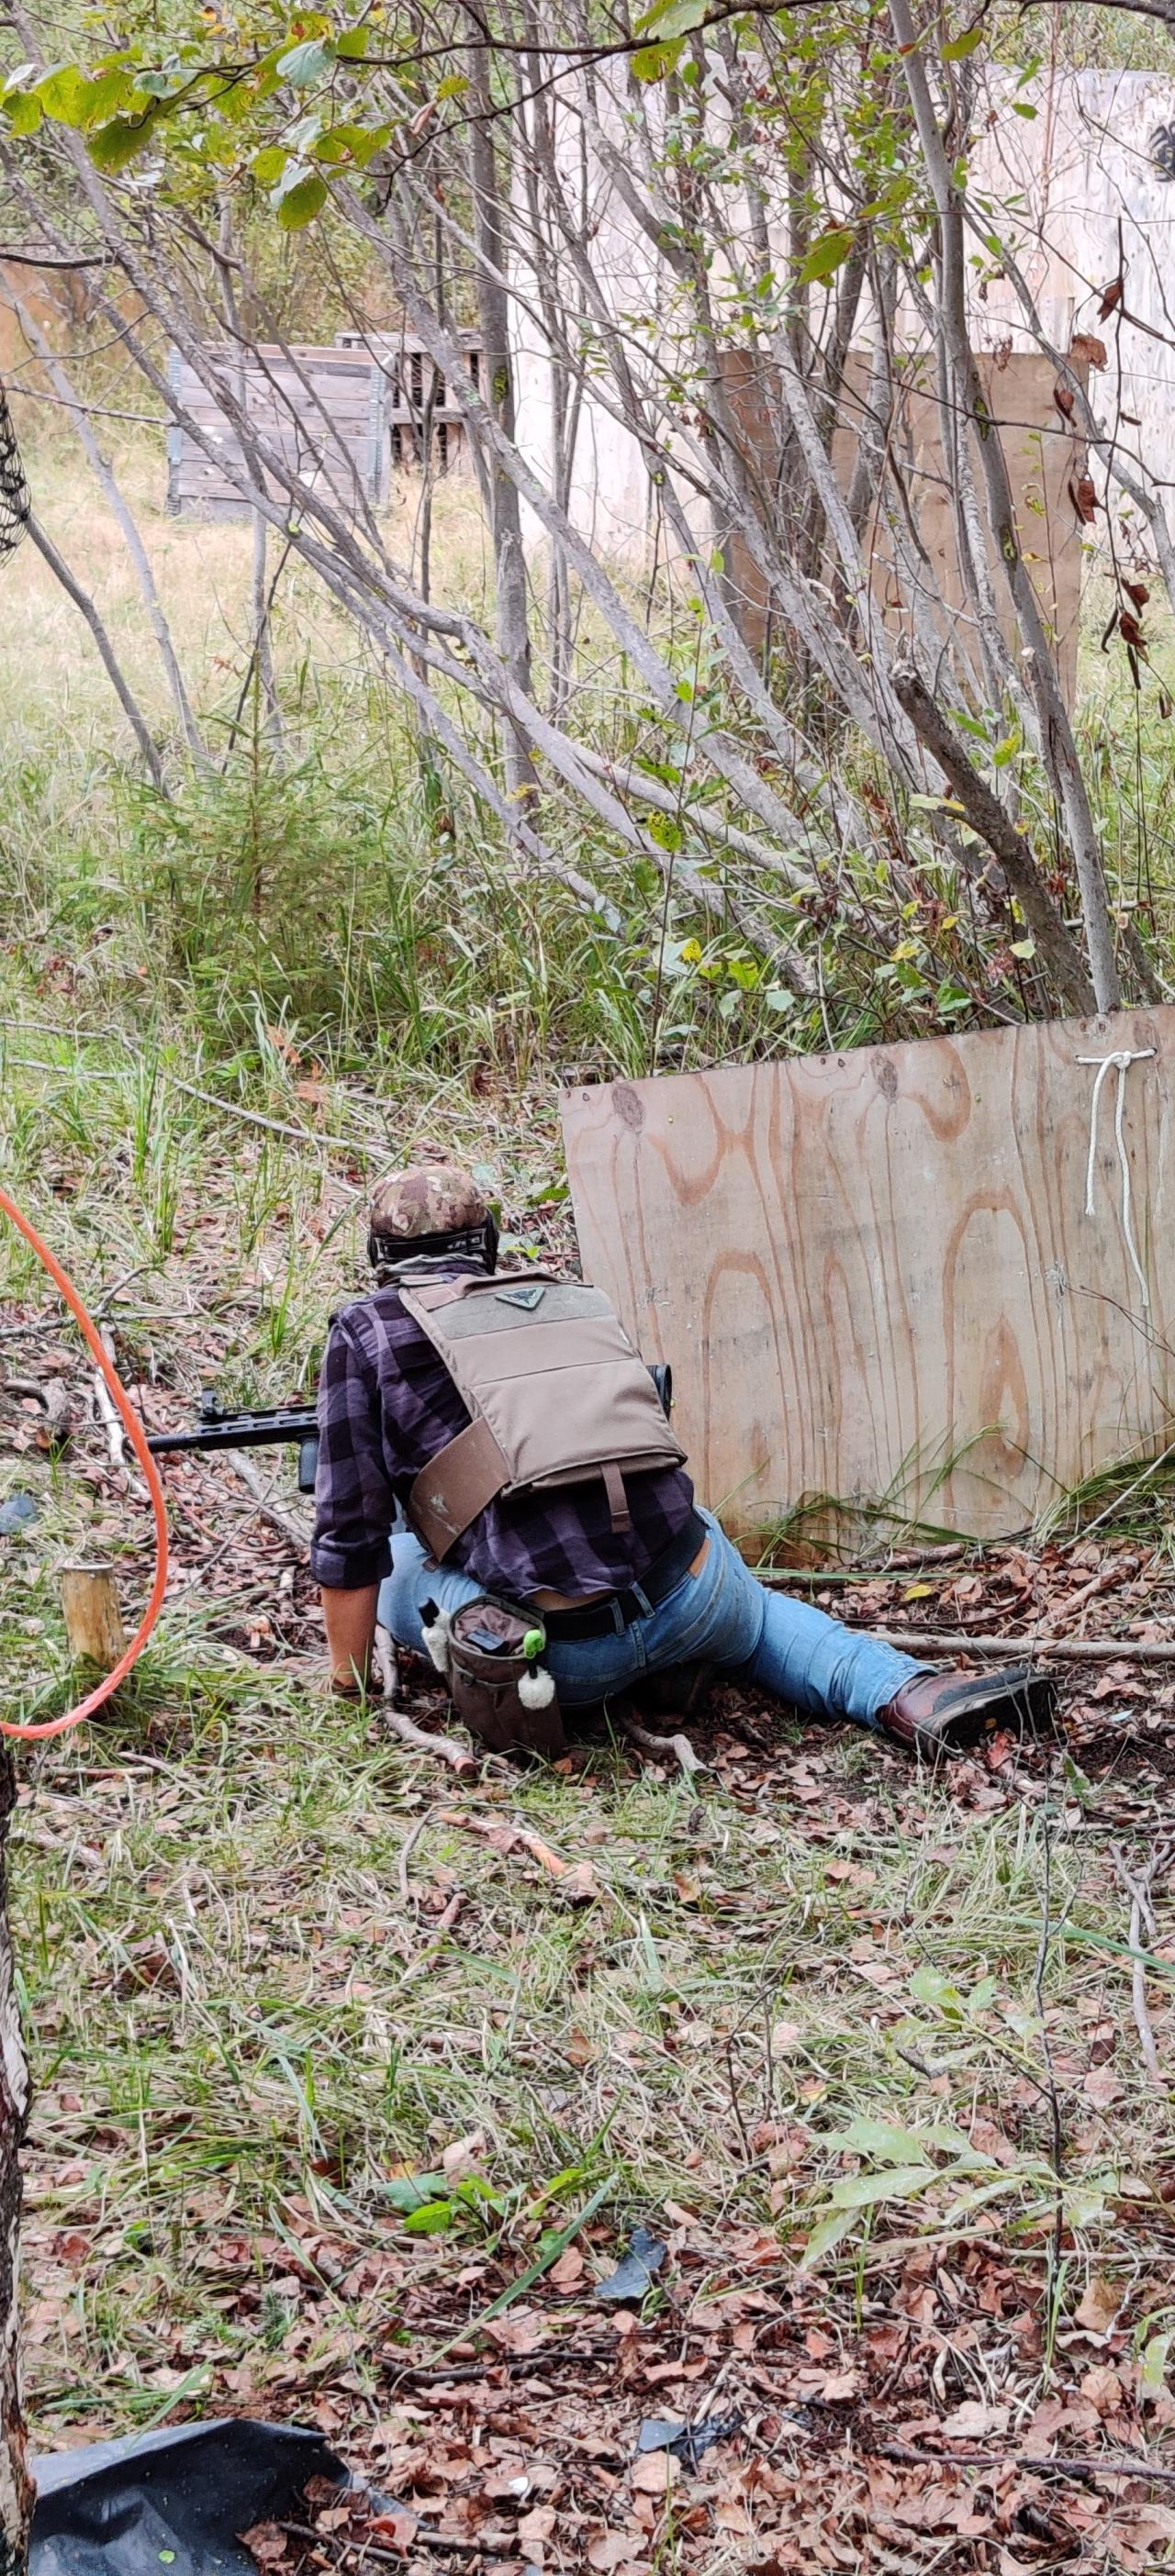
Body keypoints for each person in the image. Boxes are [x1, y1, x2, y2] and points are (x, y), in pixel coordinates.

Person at [311, 1165, 1053, 1757]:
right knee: (754, 1612)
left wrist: (347, 1683)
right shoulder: (565, 1299)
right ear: (489, 1241)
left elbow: (350, 1532)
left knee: (400, 1553)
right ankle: (908, 1692)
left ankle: (622, 1674)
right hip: (693, 1595)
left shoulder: (365, 1331)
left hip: (559, 1661)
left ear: (381, 1259)